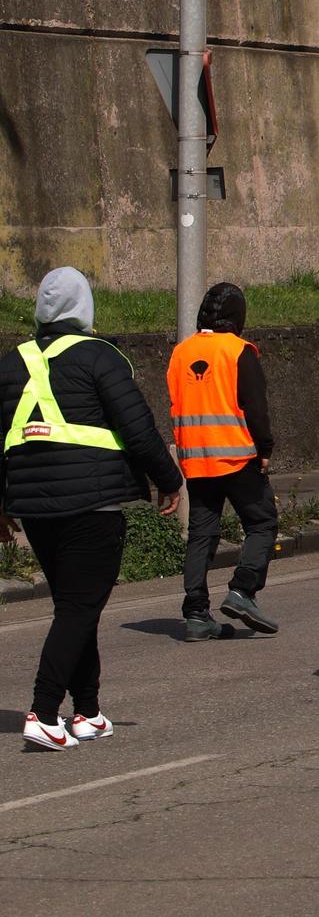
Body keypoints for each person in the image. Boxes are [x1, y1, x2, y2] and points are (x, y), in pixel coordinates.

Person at [0, 268, 182, 750]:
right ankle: (43, 711)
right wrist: (169, 480)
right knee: (80, 608)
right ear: (84, 309)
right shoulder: (101, 357)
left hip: (35, 511)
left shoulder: (10, 364)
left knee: (74, 607)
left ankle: (88, 712)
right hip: (93, 504)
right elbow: (139, 429)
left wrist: (2, 505)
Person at [168, 282, 281, 640]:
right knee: (262, 524)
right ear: (239, 318)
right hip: (237, 456)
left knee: (201, 534)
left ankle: (196, 614)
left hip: (196, 460)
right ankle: (242, 591)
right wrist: (264, 449)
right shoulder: (239, 352)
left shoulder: (181, 353)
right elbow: (255, 408)